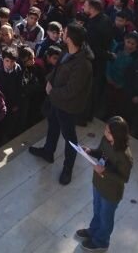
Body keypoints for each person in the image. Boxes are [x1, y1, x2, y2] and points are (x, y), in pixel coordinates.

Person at [29, 22, 93, 185]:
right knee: (53, 126)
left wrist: (52, 92)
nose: (62, 34)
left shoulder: (82, 64)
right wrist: (49, 80)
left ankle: (68, 168)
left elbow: (72, 90)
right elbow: (57, 68)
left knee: (69, 138)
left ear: (70, 38)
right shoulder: (67, 51)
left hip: (68, 106)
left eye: (64, 32)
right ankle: (48, 151)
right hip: (56, 101)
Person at [75, 116, 134, 252]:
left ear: (117, 135)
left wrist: (105, 171)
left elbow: (123, 178)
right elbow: (100, 153)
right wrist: (90, 151)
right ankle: (93, 231)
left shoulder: (125, 156)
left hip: (111, 193)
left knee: (106, 217)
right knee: (97, 210)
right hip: (98, 183)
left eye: (108, 131)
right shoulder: (105, 140)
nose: (104, 133)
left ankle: (101, 241)